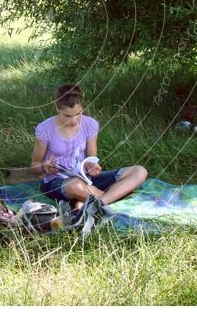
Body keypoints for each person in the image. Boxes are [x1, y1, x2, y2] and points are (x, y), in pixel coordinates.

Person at [31, 84, 147, 229]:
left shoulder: (90, 124)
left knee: (139, 171)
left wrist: (94, 168)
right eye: (67, 115)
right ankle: (112, 198)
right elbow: (34, 166)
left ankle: (92, 204)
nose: (74, 120)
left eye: (78, 114)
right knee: (75, 185)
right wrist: (44, 167)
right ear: (57, 108)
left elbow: (92, 159)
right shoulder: (45, 129)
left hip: (87, 179)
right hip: (59, 183)